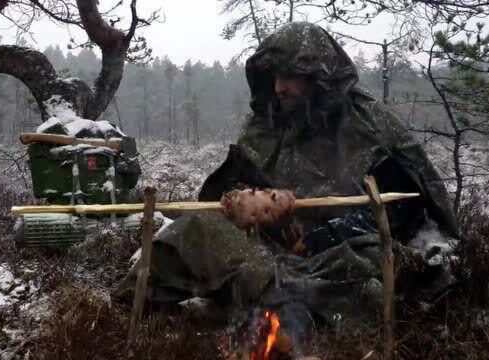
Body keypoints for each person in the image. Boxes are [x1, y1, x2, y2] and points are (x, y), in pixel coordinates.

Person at [114, 22, 459, 331]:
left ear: (319, 76)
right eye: (273, 77)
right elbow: (231, 189)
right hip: (270, 253)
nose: (279, 88)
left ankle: (273, 303)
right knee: (195, 230)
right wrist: (245, 202)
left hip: (340, 256)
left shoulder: (368, 125)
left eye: (290, 75)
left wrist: (322, 237)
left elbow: (402, 208)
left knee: (363, 279)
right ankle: (131, 308)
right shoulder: (268, 127)